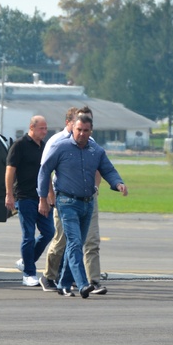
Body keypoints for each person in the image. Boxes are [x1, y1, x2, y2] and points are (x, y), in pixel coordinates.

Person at [38, 114, 127, 298]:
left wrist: (118, 183)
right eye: (79, 130)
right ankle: (82, 284)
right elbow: (45, 170)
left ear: (90, 131)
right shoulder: (60, 147)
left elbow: (108, 169)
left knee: (79, 243)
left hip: (87, 203)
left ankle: (63, 283)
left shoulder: (96, 150)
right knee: (75, 243)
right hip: (66, 202)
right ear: (73, 128)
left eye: (86, 130)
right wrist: (43, 198)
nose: (82, 133)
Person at [6, 115, 56, 287]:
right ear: (32, 127)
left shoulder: (44, 147)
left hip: (41, 197)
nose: (45, 131)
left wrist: (51, 194)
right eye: (42, 128)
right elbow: (10, 171)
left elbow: (47, 172)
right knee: (28, 235)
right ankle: (28, 273)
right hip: (24, 196)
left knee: (49, 231)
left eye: (45, 128)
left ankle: (26, 261)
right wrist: (9, 194)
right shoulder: (19, 145)